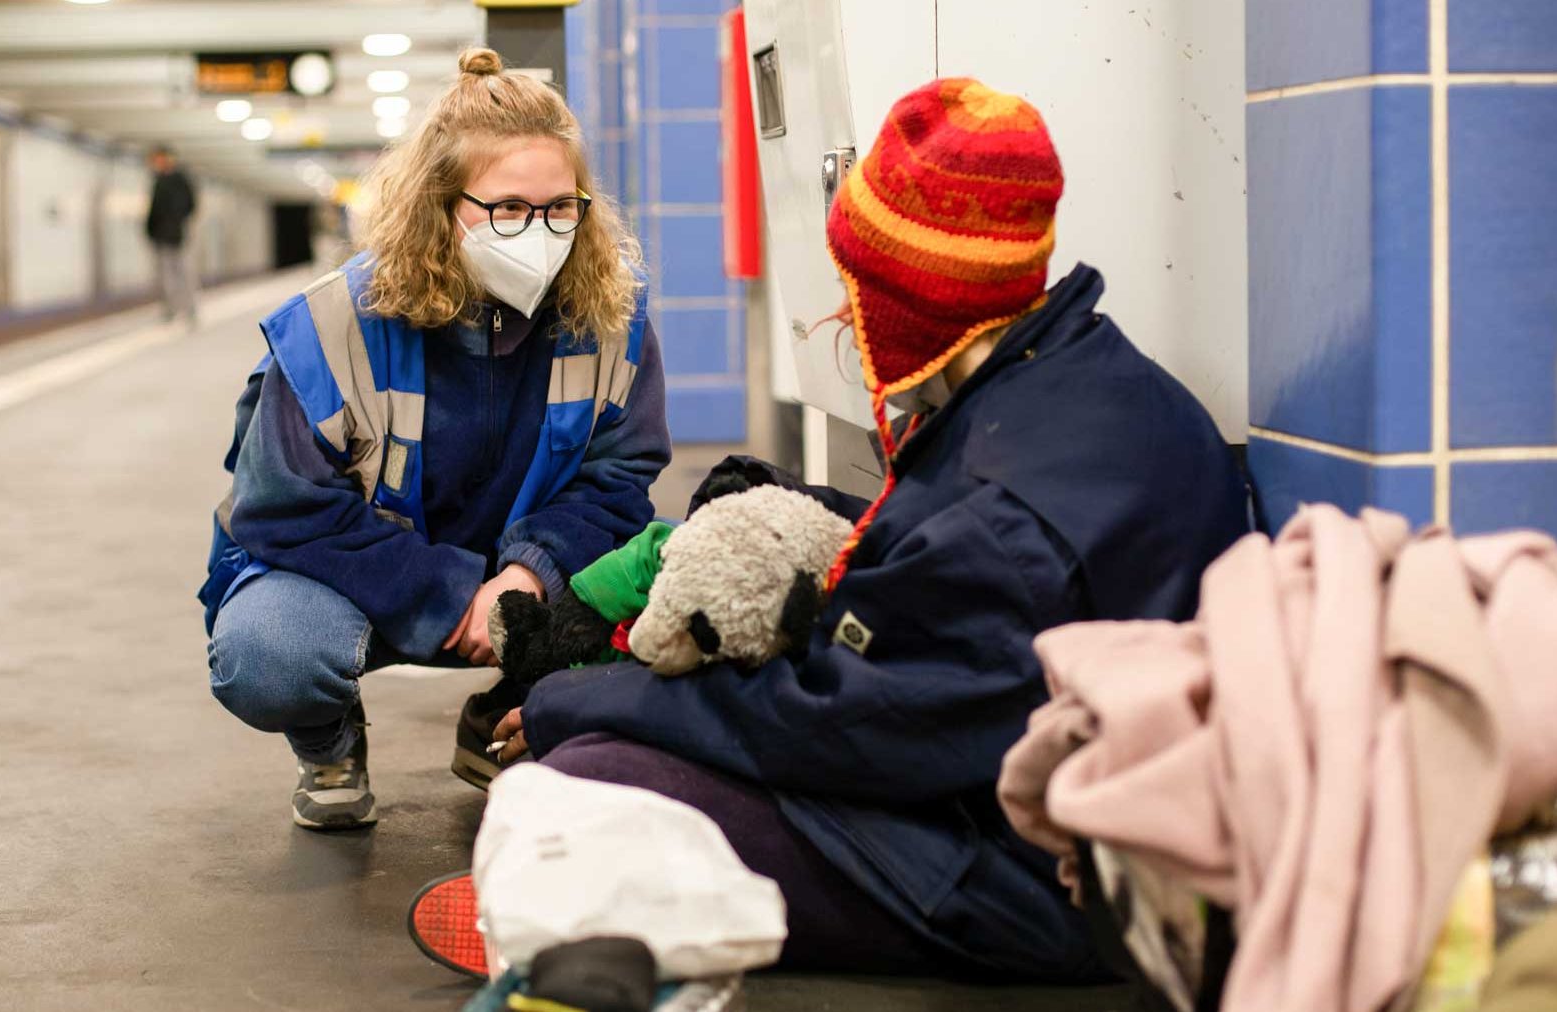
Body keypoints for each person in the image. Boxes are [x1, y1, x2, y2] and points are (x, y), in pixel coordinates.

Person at [452, 79, 1252, 979]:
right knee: (630, 719)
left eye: (861, 282)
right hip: (1015, 774)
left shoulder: (1003, 518)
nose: (845, 308)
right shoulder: (1075, 375)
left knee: (593, 769)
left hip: (1037, 883)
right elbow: (924, 585)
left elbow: (837, 725)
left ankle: (601, 930)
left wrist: (586, 696)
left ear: (911, 295)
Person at [198, 48, 670, 831]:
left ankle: (516, 714)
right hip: (370, 582)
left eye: (562, 208)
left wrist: (527, 577)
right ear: (442, 208)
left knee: (679, 597)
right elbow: (283, 512)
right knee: (268, 655)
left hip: (531, 586)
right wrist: (450, 599)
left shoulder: (609, 311)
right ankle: (330, 741)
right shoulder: (334, 326)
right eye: (509, 209)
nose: (542, 234)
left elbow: (620, 478)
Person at [145, 145, 199, 326]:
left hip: (177, 234)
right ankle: (171, 309)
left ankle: (189, 309)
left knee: (182, 272)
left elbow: (189, 205)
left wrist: (177, 222)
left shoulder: (179, 179)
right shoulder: (158, 180)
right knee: (165, 275)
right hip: (161, 235)